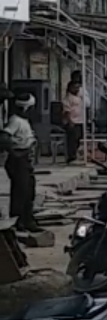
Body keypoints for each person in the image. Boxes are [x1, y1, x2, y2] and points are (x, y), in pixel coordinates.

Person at [3, 94, 40, 235]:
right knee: (20, 191)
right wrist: (14, 153)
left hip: (25, 159)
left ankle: (28, 220)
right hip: (18, 160)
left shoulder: (24, 121)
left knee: (29, 190)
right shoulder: (15, 121)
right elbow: (4, 137)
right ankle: (17, 222)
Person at [62, 75, 86, 164]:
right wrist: (70, 121)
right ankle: (71, 156)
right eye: (75, 88)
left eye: (78, 88)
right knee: (72, 140)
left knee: (80, 139)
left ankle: (77, 154)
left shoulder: (79, 96)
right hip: (72, 121)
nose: (76, 89)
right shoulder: (67, 98)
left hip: (80, 120)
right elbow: (66, 111)